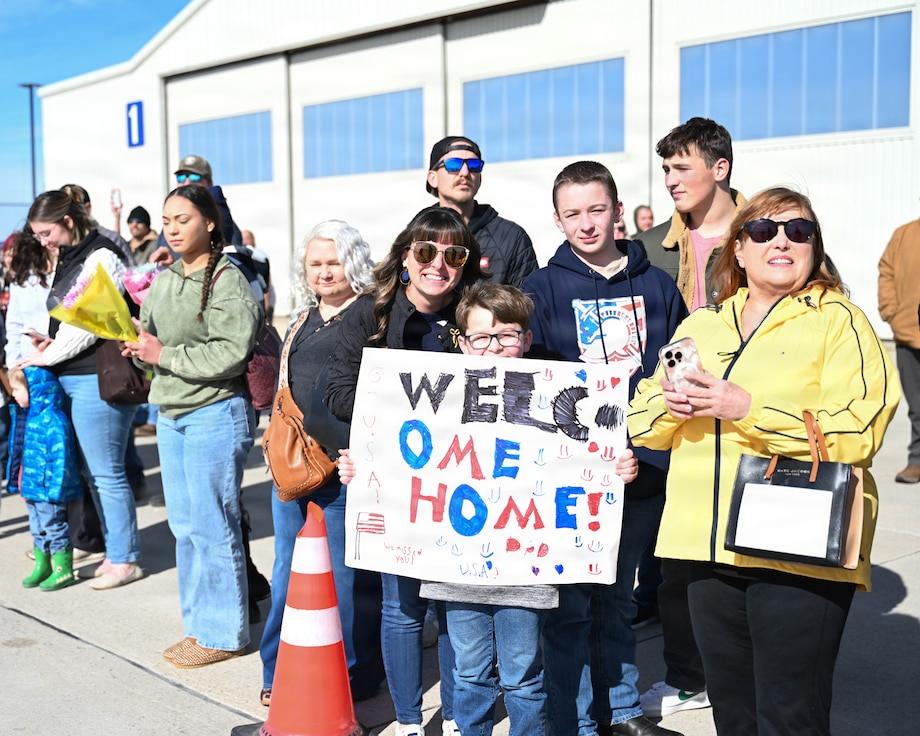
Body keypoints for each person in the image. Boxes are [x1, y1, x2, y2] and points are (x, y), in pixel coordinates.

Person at [628, 186, 900, 736]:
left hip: (796, 545)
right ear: (739, 250)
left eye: (798, 231)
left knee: (788, 712)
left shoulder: (839, 321)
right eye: (763, 231)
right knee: (734, 711)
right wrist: (671, 405)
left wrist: (747, 408)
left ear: (814, 250)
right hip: (702, 550)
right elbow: (640, 424)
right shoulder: (701, 325)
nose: (781, 240)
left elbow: (862, 427)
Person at [339, 282, 639, 736]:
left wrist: (618, 466)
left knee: (522, 678)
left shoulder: (552, 390)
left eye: (507, 335)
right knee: (470, 675)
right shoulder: (437, 396)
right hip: (454, 573)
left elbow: (590, 456)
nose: (494, 346)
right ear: (461, 343)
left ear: (526, 340)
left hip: (524, 575)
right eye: (481, 337)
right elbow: (390, 454)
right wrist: (359, 467)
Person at [521, 161, 687, 736]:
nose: (587, 224)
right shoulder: (540, 289)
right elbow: (529, 382)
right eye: (573, 214)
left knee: (617, 598)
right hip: (570, 476)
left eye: (597, 210)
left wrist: (654, 453)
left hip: (641, 468)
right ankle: (571, 718)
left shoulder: (658, 286)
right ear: (558, 220)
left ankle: (619, 712)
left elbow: (680, 371)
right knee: (569, 607)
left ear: (618, 210)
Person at [327, 207, 490, 736]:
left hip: (460, 481)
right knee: (401, 607)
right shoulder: (369, 314)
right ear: (405, 256)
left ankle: (464, 716)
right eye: (426, 252)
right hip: (394, 481)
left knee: (449, 608)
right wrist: (381, 427)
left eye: (453, 254)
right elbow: (334, 391)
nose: (437, 264)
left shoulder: (476, 316)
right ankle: (407, 722)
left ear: (465, 263)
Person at [633, 117, 747, 718]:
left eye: (682, 167)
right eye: (667, 170)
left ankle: (746, 668)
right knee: (677, 559)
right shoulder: (652, 248)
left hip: (748, 418)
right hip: (680, 423)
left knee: (748, 551)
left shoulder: (767, 232)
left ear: (719, 168)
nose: (671, 180)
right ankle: (687, 677)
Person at [123, 184, 261, 668]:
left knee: (211, 523)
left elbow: (230, 352)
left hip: (215, 411)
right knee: (185, 527)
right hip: (171, 412)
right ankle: (201, 625)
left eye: (183, 219)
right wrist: (141, 350)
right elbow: (152, 341)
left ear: (209, 223)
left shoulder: (229, 280)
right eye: (168, 219)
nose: (173, 228)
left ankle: (224, 633)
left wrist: (164, 355)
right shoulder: (164, 279)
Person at [259, 220, 383, 706]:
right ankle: (277, 668)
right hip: (294, 465)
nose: (325, 272)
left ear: (352, 263)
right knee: (287, 569)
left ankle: (350, 675)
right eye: (316, 263)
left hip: (346, 469)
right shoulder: (300, 319)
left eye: (334, 262)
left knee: (348, 577)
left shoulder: (372, 316)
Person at [21, 187, 143, 590]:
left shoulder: (102, 255)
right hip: (74, 375)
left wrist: (48, 355)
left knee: (107, 473)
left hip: (96, 378)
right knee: (93, 473)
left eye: (46, 233)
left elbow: (90, 323)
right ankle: (114, 550)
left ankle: (125, 559)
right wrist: (48, 342)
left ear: (67, 222)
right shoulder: (70, 257)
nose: (43, 242)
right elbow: (70, 323)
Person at [423, 135, 538, 287]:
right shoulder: (418, 234)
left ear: (480, 179)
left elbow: (529, 304)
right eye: (453, 165)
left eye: (473, 165)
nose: (464, 172)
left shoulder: (511, 237)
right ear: (433, 178)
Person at [13, 366, 84, 591]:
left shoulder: (54, 421)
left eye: (16, 389)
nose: (13, 394)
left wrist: (56, 489)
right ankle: (43, 565)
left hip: (48, 490)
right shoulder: (29, 417)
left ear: (34, 390)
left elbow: (62, 458)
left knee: (54, 526)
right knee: (37, 527)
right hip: (32, 488)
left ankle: (63, 569)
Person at [878, 215, 920, 483]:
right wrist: (892, 312)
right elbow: (887, 271)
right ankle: (916, 460)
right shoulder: (904, 234)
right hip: (908, 332)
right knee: (916, 406)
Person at [241, 229, 274, 321]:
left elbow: (266, 278)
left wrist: (266, 300)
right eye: (242, 239)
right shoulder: (242, 254)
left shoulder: (259, 256)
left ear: (253, 239)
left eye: (247, 238)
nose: (244, 242)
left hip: (262, 300)